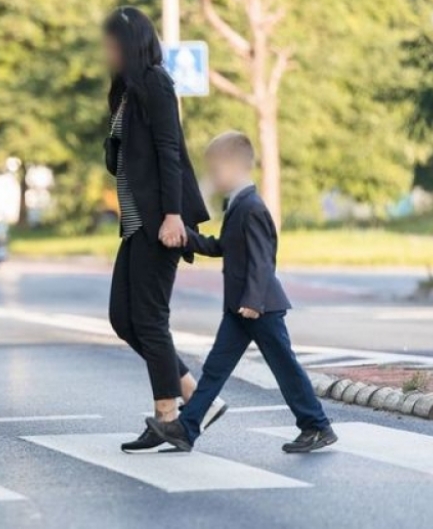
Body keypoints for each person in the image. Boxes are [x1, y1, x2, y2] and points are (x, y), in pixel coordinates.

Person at [145, 131, 338, 453]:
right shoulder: (238, 205)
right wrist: (187, 238)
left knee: (284, 367)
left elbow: (262, 261)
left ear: (236, 167)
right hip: (240, 308)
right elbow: (224, 247)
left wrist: (252, 301)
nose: (212, 177)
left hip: (259, 308)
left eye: (216, 170)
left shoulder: (251, 207)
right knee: (215, 370)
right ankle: (186, 428)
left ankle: (316, 425)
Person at [101, 6, 225, 453]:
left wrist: (173, 215)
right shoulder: (127, 91)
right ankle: (196, 397)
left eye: (113, 43)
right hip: (137, 224)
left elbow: (170, 151)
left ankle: (168, 417)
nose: (107, 51)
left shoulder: (155, 82)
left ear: (130, 44)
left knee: (150, 319)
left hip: (160, 221)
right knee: (123, 318)